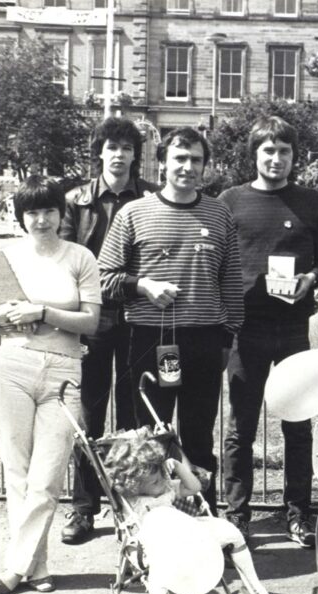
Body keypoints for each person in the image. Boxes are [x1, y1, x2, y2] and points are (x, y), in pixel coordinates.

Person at [98, 127, 244, 516]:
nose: (188, 167)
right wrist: (143, 285)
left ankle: (204, 519)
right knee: (149, 438)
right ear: (162, 163)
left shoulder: (219, 213)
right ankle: (150, 524)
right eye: (179, 158)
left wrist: (228, 334)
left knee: (198, 436)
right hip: (147, 338)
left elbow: (230, 280)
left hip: (204, 339)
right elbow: (103, 277)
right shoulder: (134, 213)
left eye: (196, 159)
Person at [218, 116, 318, 548]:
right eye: (268, 150)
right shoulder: (230, 201)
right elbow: (217, 261)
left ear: (293, 156)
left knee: (298, 425)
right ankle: (237, 515)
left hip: (291, 328)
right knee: (240, 428)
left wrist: (311, 279)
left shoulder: (312, 202)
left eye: (284, 150)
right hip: (246, 329)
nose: (276, 158)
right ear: (254, 154)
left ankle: (298, 514)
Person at [0, 176, 102, 594]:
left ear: (60, 213)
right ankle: (37, 567)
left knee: (46, 477)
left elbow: (91, 322)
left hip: (64, 370)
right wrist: (1, 316)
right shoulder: (6, 258)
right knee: (17, 473)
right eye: (31, 212)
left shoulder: (81, 257)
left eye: (49, 210)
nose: (41, 219)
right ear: (21, 218)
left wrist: (42, 311)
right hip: (11, 365)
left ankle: (12, 570)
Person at [59, 116, 158, 545]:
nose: (118, 154)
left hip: (138, 317)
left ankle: (134, 507)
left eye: (126, 147)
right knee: (90, 417)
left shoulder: (152, 198)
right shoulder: (76, 201)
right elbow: (64, 260)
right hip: (93, 320)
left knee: (136, 417)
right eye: (110, 146)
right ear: (99, 152)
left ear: (137, 154)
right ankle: (84, 508)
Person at [103, 428, 281, 594]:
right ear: (135, 485)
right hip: (155, 547)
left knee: (232, 532)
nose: (161, 480)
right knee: (156, 527)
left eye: (161, 474)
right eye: (154, 481)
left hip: (187, 536)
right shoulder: (132, 502)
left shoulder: (167, 488)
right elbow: (117, 485)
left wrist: (177, 466)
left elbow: (195, 487)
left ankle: (254, 589)